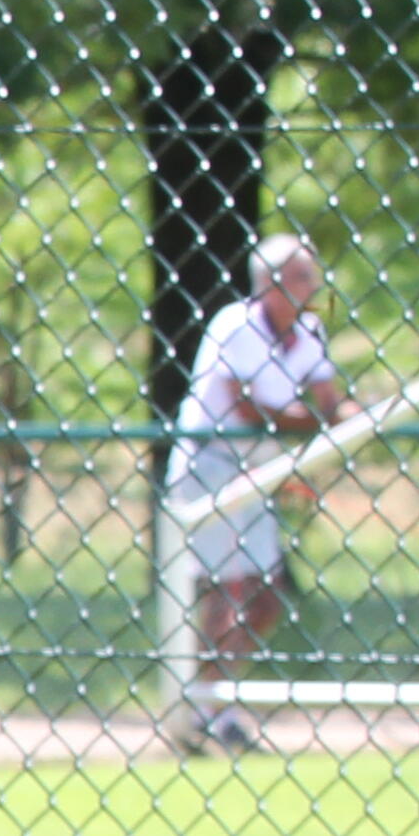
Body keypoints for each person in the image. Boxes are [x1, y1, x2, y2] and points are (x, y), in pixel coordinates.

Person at [165, 231, 351, 753]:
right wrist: (313, 424)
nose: (312, 287)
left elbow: (329, 402)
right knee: (230, 589)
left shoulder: (309, 331)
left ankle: (208, 701)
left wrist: (357, 416)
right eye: (301, 277)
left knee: (266, 597)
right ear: (270, 283)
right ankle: (207, 709)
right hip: (213, 465)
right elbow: (246, 407)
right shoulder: (237, 325)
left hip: (258, 472)